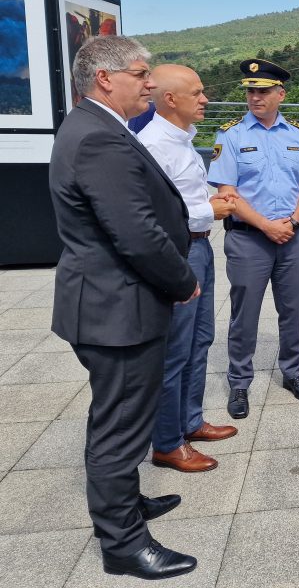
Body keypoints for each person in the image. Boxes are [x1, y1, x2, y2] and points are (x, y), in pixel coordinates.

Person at [49, 36, 199, 580]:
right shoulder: (98, 140)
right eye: (141, 74)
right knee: (119, 428)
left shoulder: (93, 126)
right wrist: (183, 281)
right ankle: (123, 543)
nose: (151, 83)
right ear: (105, 79)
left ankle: (124, 506)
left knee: (116, 415)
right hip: (118, 310)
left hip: (110, 303)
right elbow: (135, 233)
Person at [207, 59, 299, 419]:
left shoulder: (298, 135)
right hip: (248, 238)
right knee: (245, 312)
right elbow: (227, 195)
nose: (255, 97)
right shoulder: (231, 136)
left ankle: (292, 373)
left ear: (280, 94)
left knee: (292, 309)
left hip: (292, 234)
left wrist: (291, 222)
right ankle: (239, 381)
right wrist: (266, 225)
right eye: (250, 91)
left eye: (262, 91)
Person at [139, 65, 240, 473]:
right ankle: (166, 443)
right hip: (178, 252)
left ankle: (190, 422)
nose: (205, 99)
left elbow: (182, 195)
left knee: (200, 340)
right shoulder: (153, 146)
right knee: (174, 351)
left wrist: (215, 194)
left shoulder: (182, 140)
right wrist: (207, 210)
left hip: (199, 248)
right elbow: (150, 214)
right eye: (197, 93)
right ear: (170, 99)